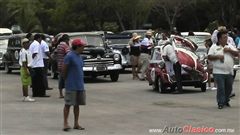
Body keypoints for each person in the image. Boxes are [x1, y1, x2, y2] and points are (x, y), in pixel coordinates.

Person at [208, 31, 239, 109]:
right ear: (219, 39)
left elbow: (237, 53)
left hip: (229, 71)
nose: (226, 39)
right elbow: (209, 57)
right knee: (221, 88)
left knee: (229, 88)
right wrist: (218, 57)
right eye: (224, 37)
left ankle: (226, 100)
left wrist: (229, 50)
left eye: (226, 37)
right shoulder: (214, 47)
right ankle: (221, 103)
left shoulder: (230, 46)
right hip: (218, 72)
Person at [62, 38, 86, 131]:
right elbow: (64, 70)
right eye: (82, 46)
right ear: (77, 46)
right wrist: (66, 80)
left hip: (79, 84)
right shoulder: (69, 56)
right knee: (68, 104)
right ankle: (65, 123)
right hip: (71, 85)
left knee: (77, 105)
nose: (83, 48)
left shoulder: (79, 56)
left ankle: (76, 123)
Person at [57, 34, 70, 98]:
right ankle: (67, 93)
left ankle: (60, 94)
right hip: (64, 65)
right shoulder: (65, 45)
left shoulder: (59, 45)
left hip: (59, 64)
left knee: (60, 80)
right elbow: (68, 54)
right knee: (66, 80)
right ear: (66, 39)